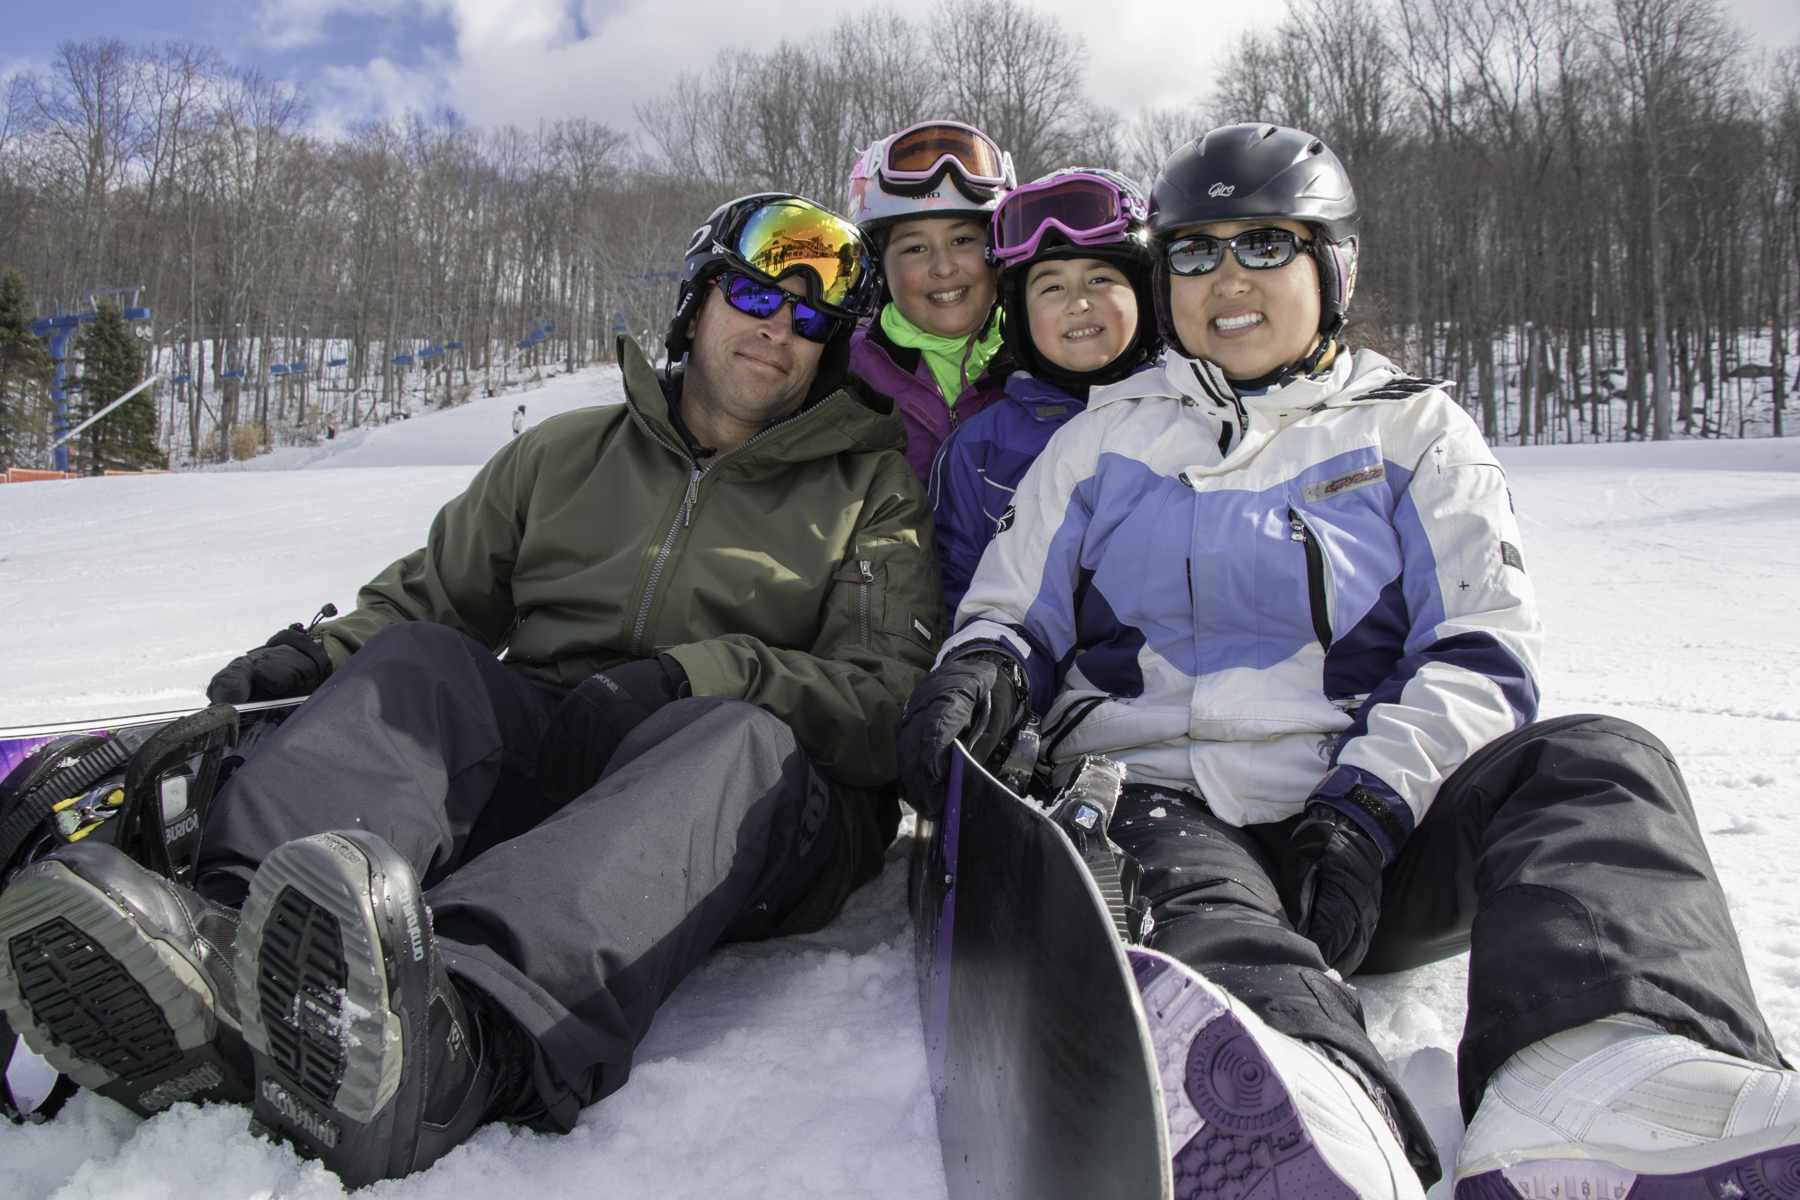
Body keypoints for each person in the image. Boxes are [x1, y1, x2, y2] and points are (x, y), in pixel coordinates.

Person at [896, 124, 1799, 1199]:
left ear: (1332, 265)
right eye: (1195, 252)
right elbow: (1010, 611)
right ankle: (1291, 1092)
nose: (1228, 279)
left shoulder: (1413, 430)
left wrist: (1367, 808)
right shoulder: (1101, 440)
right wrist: (977, 677)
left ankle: (1601, 1074)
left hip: (1372, 826)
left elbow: (1481, 645)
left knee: (1599, 764)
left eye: (1266, 245)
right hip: (1170, 803)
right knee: (1168, 869)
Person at [0, 193, 944, 1185]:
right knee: (422, 662)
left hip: (746, 808)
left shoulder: (865, 494)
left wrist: (691, 676)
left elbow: (884, 701)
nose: (776, 333)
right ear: (698, 302)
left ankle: (457, 1038)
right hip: (556, 738)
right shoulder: (565, 454)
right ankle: (231, 954)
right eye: (755, 298)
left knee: (734, 740)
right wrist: (322, 659)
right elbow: (433, 597)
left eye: (808, 323)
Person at [929, 168, 1160, 614]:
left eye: (1099, 279)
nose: (1078, 302)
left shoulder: (1198, 414)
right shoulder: (980, 449)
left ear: (1145, 297)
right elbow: (957, 589)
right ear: (1018, 316)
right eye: (1051, 287)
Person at [845, 119, 1016, 480]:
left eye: (962, 241)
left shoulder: (1039, 367)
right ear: (878, 268)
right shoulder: (841, 374)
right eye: (915, 247)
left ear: (998, 255)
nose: (943, 268)